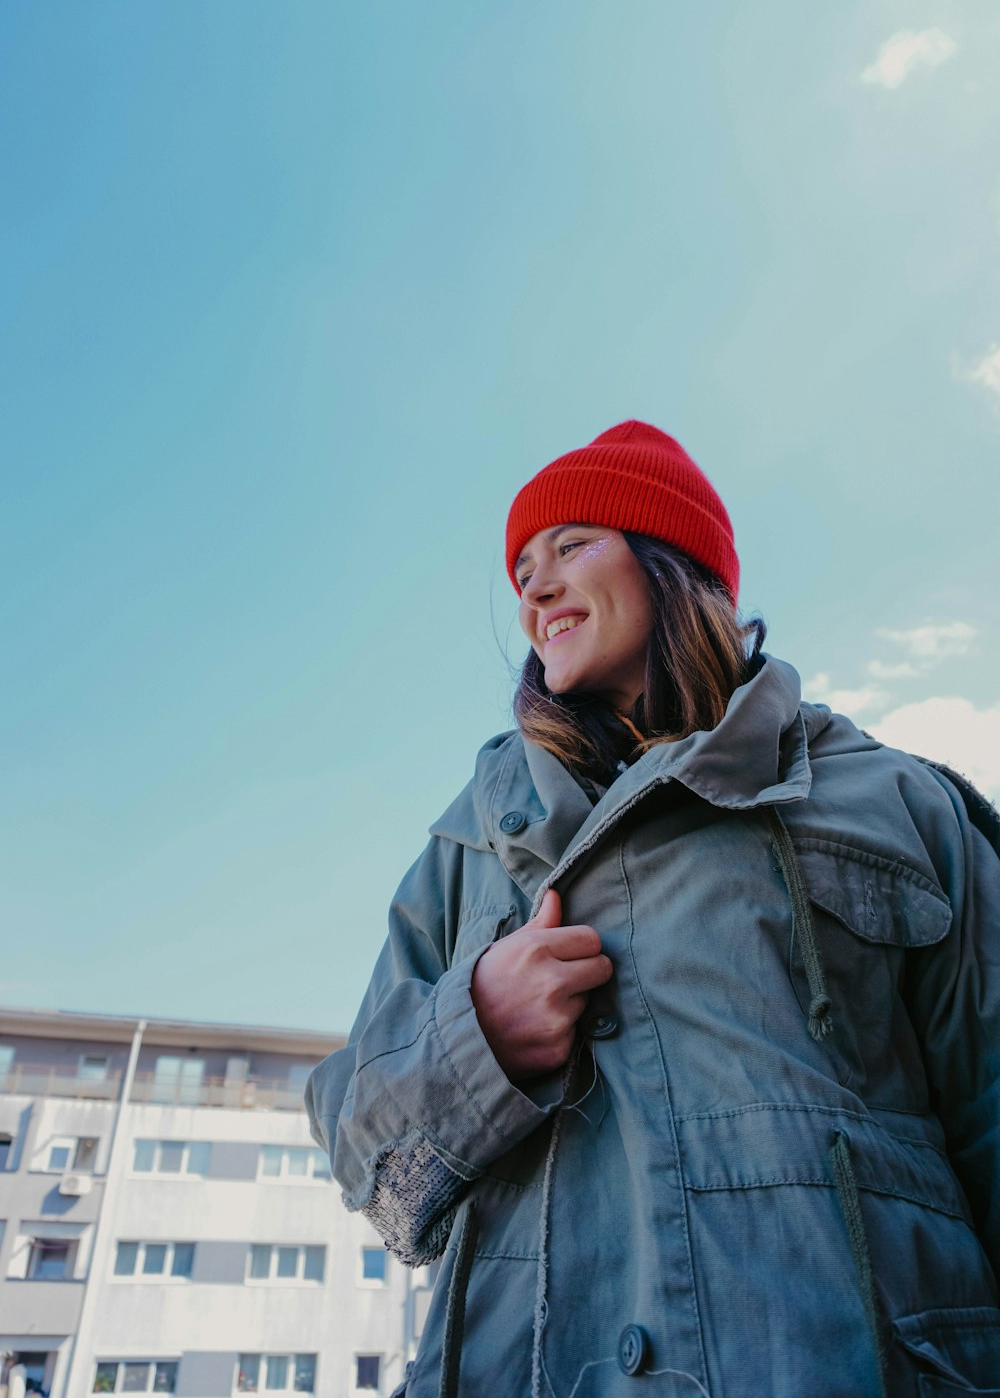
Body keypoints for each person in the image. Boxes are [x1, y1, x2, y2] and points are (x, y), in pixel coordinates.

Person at [307, 421, 1000, 1397]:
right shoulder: (463, 847)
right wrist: (480, 1040)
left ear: (673, 565)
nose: (534, 589)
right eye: (521, 570)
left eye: (572, 545)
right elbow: (363, 1158)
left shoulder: (893, 802)